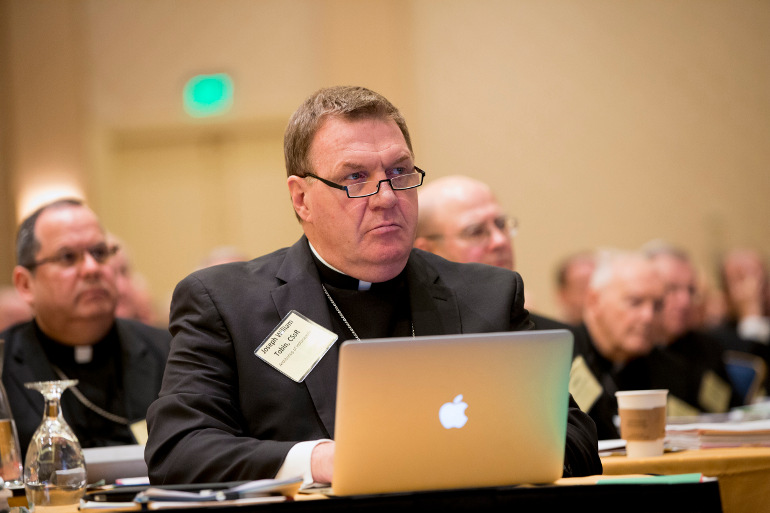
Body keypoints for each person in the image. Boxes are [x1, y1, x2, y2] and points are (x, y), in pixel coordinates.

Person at [145, 86, 602, 486]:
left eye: (400, 172)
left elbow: (578, 442)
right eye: (356, 177)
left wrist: (462, 455)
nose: (387, 198)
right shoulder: (226, 304)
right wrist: (320, 459)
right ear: (301, 198)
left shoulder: (489, 296)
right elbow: (178, 451)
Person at [1, 199, 170, 455]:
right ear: (25, 284)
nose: (92, 268)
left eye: (100, 253)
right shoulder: (2, 366)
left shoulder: (171, 351)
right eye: (68, 257)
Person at [414, 174, 570, 330]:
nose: (500, 240)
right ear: (427, 251)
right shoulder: (415, 337)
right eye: (476, 231)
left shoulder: (559, 338)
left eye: (501, 224)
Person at [570, 249, 665, 439]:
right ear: (594, 300)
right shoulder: (561, 360)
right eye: (635, 302)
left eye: (657, 305)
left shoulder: (661, 365)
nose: (648, 317)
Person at [644, 241, 742, 414]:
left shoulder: (707, 349)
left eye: (690, 290)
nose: (685, 302)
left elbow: (733, 413)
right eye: (671, 288)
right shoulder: (630, 354)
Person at [709, 248, 770, 391]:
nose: (753, 287)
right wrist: (752, 319)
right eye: (741, 278)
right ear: (725, 293)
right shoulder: (715, 338)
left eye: (759, 278)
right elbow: (750, 386)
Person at [554, 251, 596, 326]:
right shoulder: (554, 334)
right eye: (582, 288)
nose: (593, 295)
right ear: (563, 295)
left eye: (596, 285)